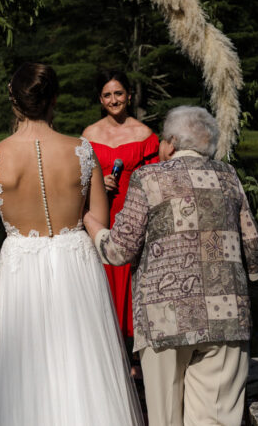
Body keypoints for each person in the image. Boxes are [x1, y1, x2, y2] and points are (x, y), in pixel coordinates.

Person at [0, 63, 143, 425]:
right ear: (54, 100)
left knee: (29, 377)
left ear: (13, 100)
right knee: (84, 368)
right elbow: (99, 219)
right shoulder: (82, 151)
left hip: (21, 270)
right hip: (76, 265)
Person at [84, 106, 258, 426]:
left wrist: (93, 226)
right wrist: (253, 272)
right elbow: (253, 244)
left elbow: (119, 250)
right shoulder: (229, 176)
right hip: (225, 316)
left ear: (169, 143)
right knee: (217, 420)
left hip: (164, 318)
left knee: (165, 418)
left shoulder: (147, 177)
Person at [81, 70, 159, 340]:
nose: (113, 100)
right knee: (102, 279)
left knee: (133, 280)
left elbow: (155, 183)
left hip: (134, 217)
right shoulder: (89, 134)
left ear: (128, 95)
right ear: (100, 99)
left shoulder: (145, 135)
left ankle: (137, 354)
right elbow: (76, 183)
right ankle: (107, 346)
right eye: (107, 95)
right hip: (100, 219)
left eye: (118, 93)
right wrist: (97, 183)